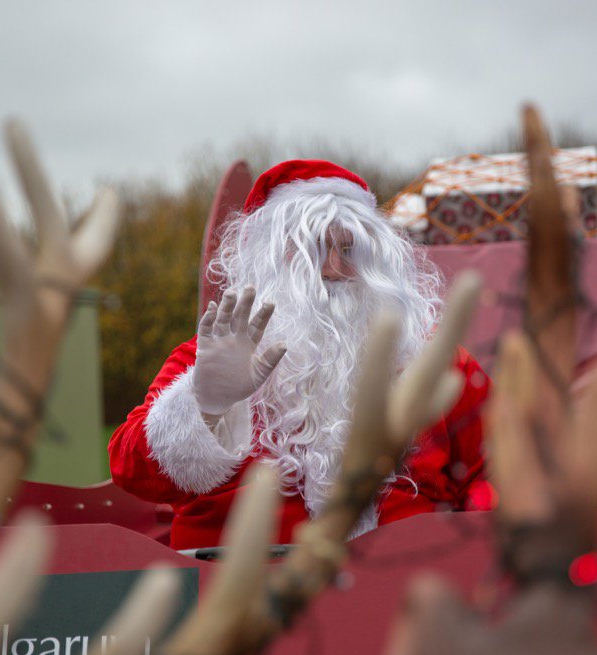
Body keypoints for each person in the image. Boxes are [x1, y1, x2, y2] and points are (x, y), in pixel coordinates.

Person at [109, 160, 489, 550]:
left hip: (407, 586)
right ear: (268, 260)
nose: (334, 269)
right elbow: (132, 473)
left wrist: (471, 557)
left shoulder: (438, 363)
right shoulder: (215, 354)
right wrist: (203, 402)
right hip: (242, 589)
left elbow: (496, 475)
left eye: (349, 249)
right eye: (314, 250)